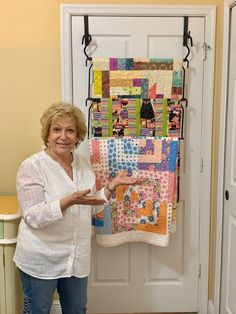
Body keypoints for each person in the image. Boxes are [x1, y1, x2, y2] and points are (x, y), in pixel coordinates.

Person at [14, 102, 144, 314]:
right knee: (38, 309)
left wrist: (112, 186)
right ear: (47, 133)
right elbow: (32, 216)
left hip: (75, 256)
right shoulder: (33, 166)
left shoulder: (83, 164)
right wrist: (69, 201)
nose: (63, 136)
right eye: (57, 129)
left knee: (77, 309)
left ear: (78, 136)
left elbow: (90, 206)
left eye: (70, 130)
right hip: (41, 256)